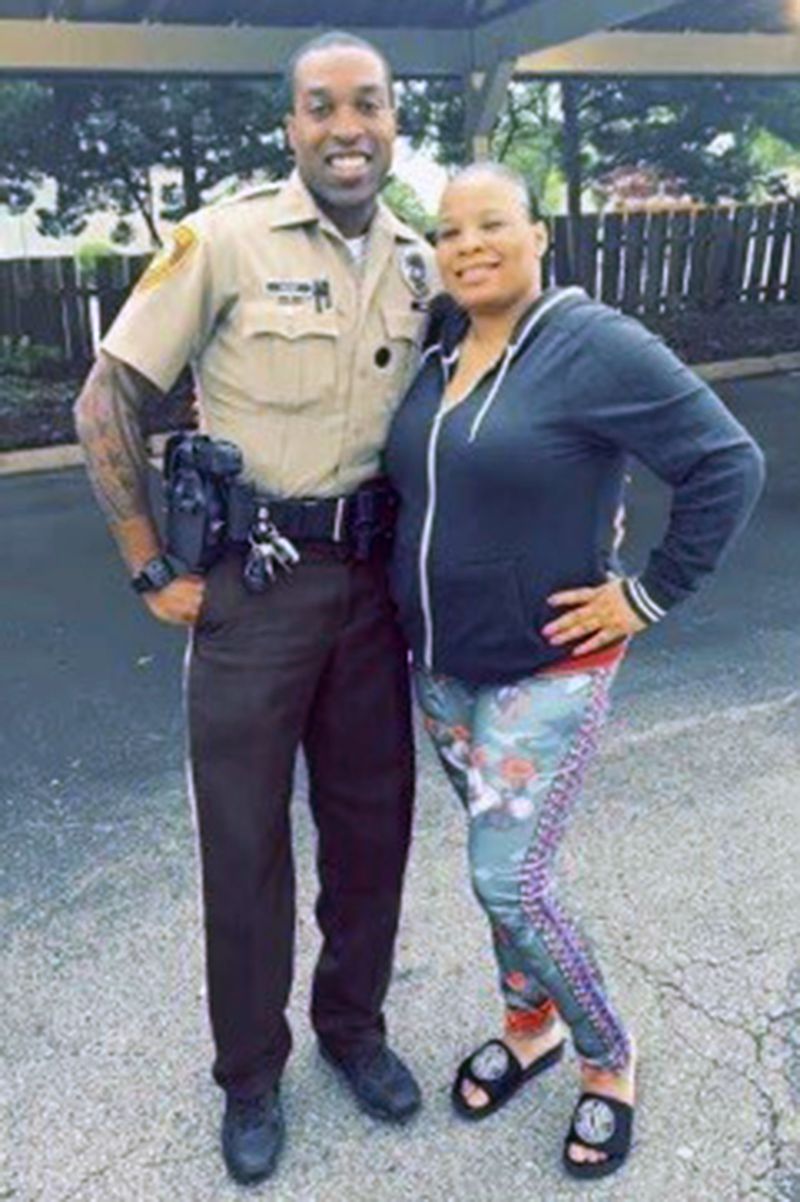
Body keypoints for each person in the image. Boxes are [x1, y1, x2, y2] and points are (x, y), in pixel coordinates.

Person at [74, 32, 435, 1186]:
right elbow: (106, 397)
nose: (345, 126)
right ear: (289, 127)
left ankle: (354, 1029)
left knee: (372, 830)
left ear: (391, 120)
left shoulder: (422, 262)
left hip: (373, 589)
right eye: (320, 106)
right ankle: (248, 1072)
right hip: (254, 582)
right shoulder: (223, 239)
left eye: (366, 105)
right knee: (242, 846)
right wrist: (146, 563)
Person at [384, 162, 765, 1181]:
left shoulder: (589, 343)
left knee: (509, 874)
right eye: (447, 229)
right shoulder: (440, 349)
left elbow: (725, 462)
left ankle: (605, 1057)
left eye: (489, 224)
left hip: (548, 665)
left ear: (536, 232)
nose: (465, 244)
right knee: (499, 878)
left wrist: (643, 595)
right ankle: (526, 1026)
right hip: (446, 668)